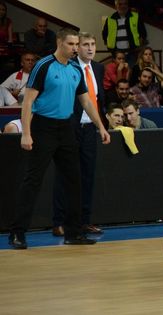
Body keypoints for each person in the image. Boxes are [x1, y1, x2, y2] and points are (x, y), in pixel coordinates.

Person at [7, 28, 110, 250]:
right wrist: (26, 132)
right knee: (32, 181)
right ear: (59, 43)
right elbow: (27, 102)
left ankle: (74, 232)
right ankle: (17, 233)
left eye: (77, 44)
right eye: (71, 44)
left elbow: (87, 102)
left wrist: (101, 126)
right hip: (43, 127)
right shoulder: (43, 66)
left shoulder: (75, 68)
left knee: (74, 180)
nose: (75, 48)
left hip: (66, 128)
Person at [51, 32, 106, 237]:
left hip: (89, 128)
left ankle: (84, 221)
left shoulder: (98, 68)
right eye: (85, 45)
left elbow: (98, 98)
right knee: (65, 175)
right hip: (69, 128)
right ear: (76, 48)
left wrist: (101, 125)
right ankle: (59, 222)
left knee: (87, 176)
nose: (90, 48)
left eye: (93, 44)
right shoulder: (68, 66)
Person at [102, 0, 147, 65]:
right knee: (118, 73)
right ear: (116, 6)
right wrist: (110, 48)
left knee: (131, 72)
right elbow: (104, 34)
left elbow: (143, 33)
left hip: (132, 53)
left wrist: (140, 47)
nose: (123, 6)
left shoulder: (135, 17)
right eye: (120, 4)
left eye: (125, 4)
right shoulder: (110, 19)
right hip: (117, 54)